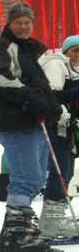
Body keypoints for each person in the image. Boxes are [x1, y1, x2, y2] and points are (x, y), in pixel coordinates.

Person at [0, 1, 67, 252]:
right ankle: (16, 236)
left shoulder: (31, 50)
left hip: (34, 121)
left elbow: (41, 85)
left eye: (28, 22)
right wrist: (30, 99)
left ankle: (21, 229)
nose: (23, 26)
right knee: (26, 176)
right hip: (12, 121)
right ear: (9, 23)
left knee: (38, 177)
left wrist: (53, 108)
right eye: (18, 22)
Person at [37, 33, 79, 237]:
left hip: (67, 127)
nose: (78, 55)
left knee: (67, 171)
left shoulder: (73, 70)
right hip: (55, 125)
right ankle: (50, 222)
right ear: (66, 51)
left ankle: (55, 216)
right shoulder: (56, 65)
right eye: (75, 50)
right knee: (60, 170)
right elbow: (52, 95)